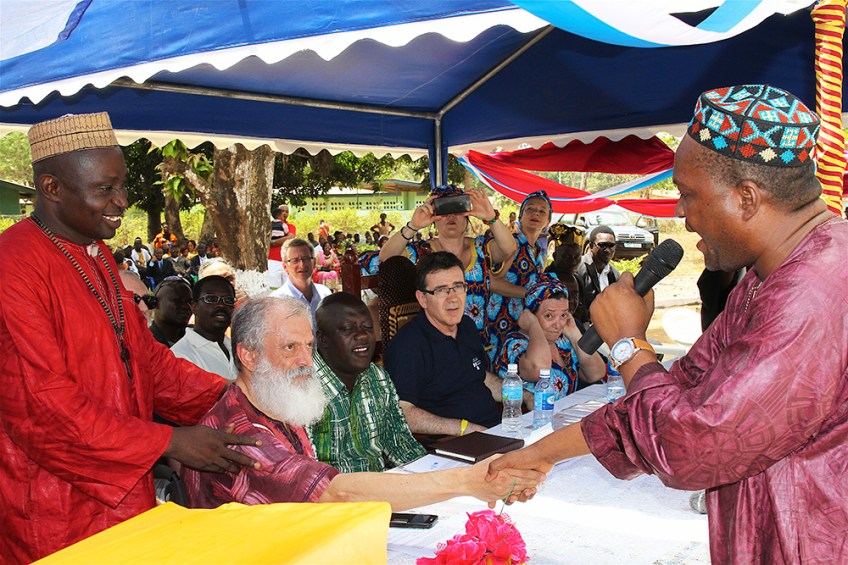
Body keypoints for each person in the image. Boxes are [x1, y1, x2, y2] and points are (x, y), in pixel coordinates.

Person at [488, 85, 848, 563]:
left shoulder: (816, 289)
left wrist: (629, 344)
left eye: (688, 194)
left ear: (746, 198)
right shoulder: (770, 276)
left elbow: (696, 445)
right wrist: (539, 455)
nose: (680, 213)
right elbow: (679, 389)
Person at [0, 112, 260, 562]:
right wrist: (169, 442)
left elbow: (144, 360)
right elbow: (44, 410)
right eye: (105, 189)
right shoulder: (13, 266)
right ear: (51, 189)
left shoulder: (95, 252)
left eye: (122, 186)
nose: (122, 202)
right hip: (54, 512)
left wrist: (241, 396)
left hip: (126, 498)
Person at [184, 296, 542, 510]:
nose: (307, 360)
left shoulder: (279, 397)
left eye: (307, 346)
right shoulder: (242, 432)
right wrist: (468, 481)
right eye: (290, 348)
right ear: (247, 355)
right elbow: (335, 492)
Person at [379, 185, 517, 347]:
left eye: (458, 209)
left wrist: (491, 218)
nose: (451, 216)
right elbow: (387, 258)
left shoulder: (480, 248)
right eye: (443, 210)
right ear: (434, 218)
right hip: (435, 347)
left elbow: (509, 249)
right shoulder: (422, 251)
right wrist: (413, 226)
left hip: (479, 346)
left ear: (467, 217)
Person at [384, 252, 503, 435]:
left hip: (497, 429)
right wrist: (464, 429)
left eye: (458, 287)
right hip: (454, 445)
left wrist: (522, 395)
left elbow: (480, 376)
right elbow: (402, 413)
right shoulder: (409, 346)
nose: (453, 298)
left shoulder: (466, 326)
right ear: (422, 298)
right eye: (441, 290)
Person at [311, 293, 426, 472]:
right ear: (323, 339)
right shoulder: (303, 388)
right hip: (333, 495)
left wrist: (434, 477)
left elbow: (400, 446)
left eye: (368, 327)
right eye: (348, 329)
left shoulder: (377, 378)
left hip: (383, 489)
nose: (363, 335)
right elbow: (306, 474)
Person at [494, 278, 605, 401]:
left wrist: (574, 333)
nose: (558, 325)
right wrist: (533, 326)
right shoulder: (514, 344)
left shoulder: (562, 342)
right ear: (531, 314)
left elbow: (595, 373)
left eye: (563, 315)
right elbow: (539, 369)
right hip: (535, 419)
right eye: (549, 316)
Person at [485, 191, 552, 366]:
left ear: (548, 221)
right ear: (520, 217)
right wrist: (530, 293)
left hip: (523, 321)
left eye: (542, 211)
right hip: (499, 318)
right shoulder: (508, 243)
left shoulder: (540, 251)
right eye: (530, 209)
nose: (535, 213)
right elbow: (491, 281)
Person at [172, 275, 237, 381]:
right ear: (194, 307)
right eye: (211, 299)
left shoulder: (237, 349)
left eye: (228, 300)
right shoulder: (180, 357)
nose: (221, 305)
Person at [270, 238, 331, 321]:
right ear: (285, 267)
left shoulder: (325, 294)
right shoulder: (277, 301)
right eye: (295, 261)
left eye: (306, 258)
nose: (302, 265)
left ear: (314, 262)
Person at [576, 225, 620, 323]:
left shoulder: (614, 274)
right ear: (591, 246)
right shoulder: (578, 268)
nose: (607, 250)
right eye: (602, 245)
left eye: (611, 245)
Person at [149, 275, 194, 347]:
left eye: (190, 302)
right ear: (155, 303)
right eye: (178, 301)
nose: (187, 307)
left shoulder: (197, 338)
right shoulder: (144, 344)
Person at [267, 206, 295, 288]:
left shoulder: (290, 226)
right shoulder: (270, 224)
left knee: (289, 288)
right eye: (282, 211)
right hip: (272, 261)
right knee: (274, 288)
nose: (284, 213)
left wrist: (273, 242)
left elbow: (290, 238)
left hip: (287, 261)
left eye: (286, 211)